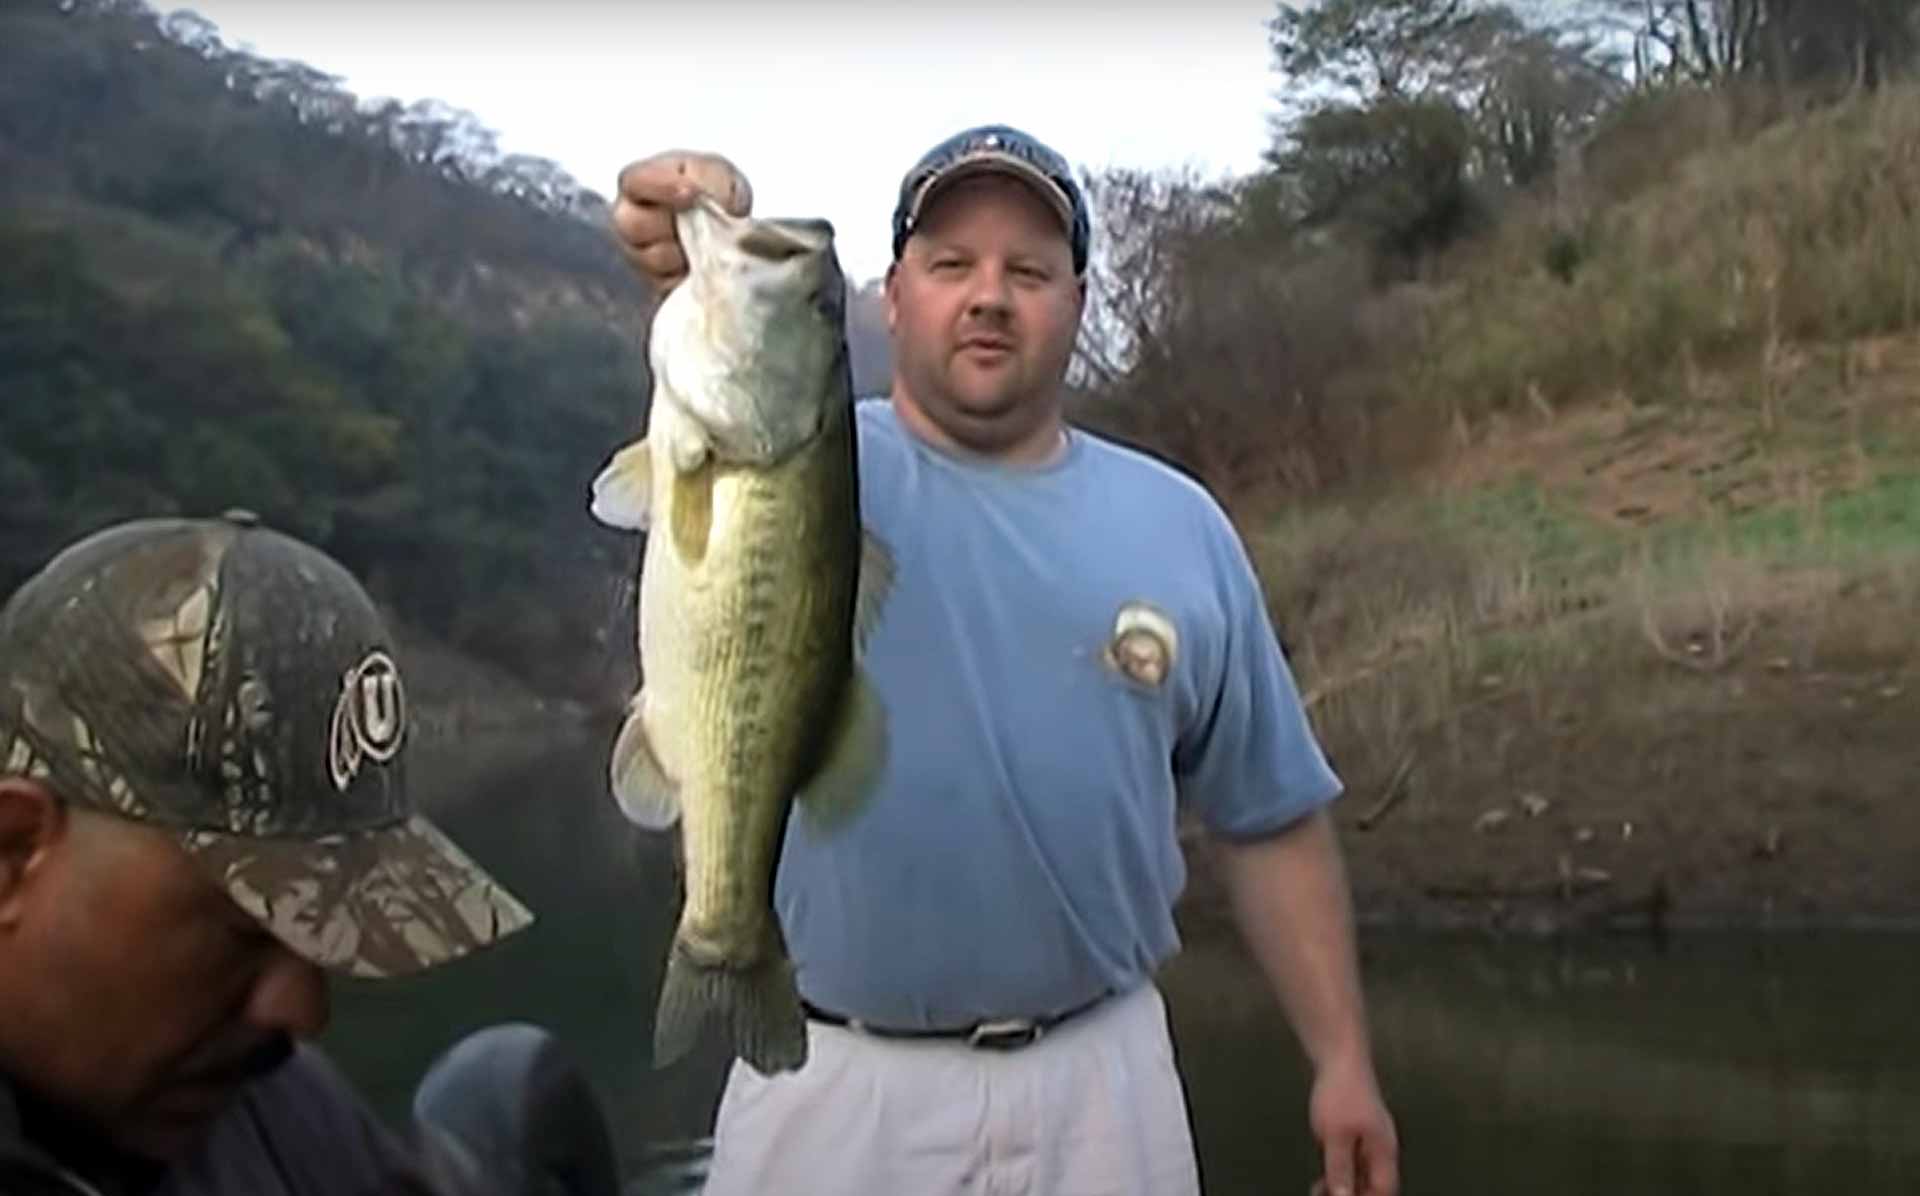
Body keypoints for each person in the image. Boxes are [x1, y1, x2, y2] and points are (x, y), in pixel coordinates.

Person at [609, 125, 1401, 1196]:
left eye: (1028, 270)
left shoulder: (1184, 526)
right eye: (950, 265)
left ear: (1076, 299)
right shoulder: (812, 462)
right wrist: (694, 232)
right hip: (831, 1087)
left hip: (1106, 1085)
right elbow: (725, 381)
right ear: (891, 298)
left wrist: (1342, 1057)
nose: (990, 295)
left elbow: (1269, 814)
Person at [0, 509, 613, 1195]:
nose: (300, 1013)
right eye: (242, 932)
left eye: (320, 934)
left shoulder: (273, 1109)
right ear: (14, 852)